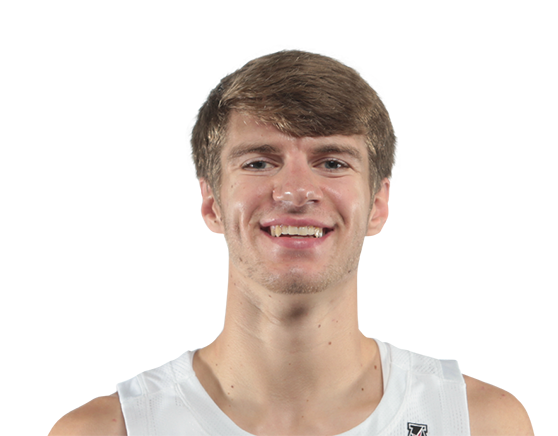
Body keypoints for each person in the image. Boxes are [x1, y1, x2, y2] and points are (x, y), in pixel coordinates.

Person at [50, 51, 532, 436]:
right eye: (259, 163)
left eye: (333, 162)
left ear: (377, 203)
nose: (296, 191)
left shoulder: (476, 423)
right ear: (212, 203)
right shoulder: (109, 430)